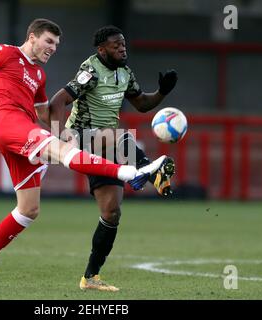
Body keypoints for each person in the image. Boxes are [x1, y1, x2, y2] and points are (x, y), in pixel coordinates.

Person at [0, 18, 169, 289]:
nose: (53, 48)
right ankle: (137, 171)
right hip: (9, 124)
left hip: (23, 129)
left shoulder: (39, 75)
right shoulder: (4, 52)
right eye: (49, 42)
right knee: (65, 151)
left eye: (57, 45)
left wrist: (65, 133)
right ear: (32, 37)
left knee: (28, 210)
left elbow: (42, 113)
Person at [48, 25, 178, 291]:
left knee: (112, 212)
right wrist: (58, 135)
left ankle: (90, 278)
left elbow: (141, 104)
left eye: (124, 45)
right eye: (116, 45)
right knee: (116, 134)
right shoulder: (91, 71)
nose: (122, 48)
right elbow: (57, 101)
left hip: (107, 147)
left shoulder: (125, 73)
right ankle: (149, 171)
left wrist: (163, 91)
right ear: (101, 50)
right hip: (81, 136)